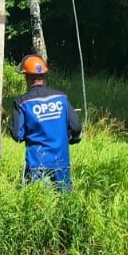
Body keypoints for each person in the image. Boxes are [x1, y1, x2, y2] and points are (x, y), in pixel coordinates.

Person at [10, 55, 82, 189]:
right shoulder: (61, 98)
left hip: (36, 164)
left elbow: (17, 135)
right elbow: (76, 127)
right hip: (61, 161)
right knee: (64, 203)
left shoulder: (22, 102)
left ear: (26, 77)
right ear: (44, 75)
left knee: (36, 204)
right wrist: (72, 138)